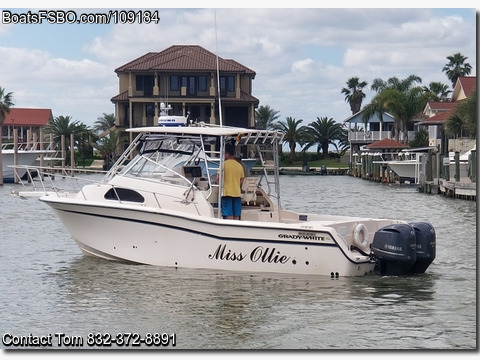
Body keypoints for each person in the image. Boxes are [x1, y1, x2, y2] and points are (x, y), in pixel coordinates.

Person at [219, 143, 244, 220]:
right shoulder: (239, 166)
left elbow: (218, 178)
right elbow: (242, 179)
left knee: (228, 214)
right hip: (237, 193)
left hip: (227, 193)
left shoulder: (223, 165)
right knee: (236, 214)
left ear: (226, 153)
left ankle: (229, 230)